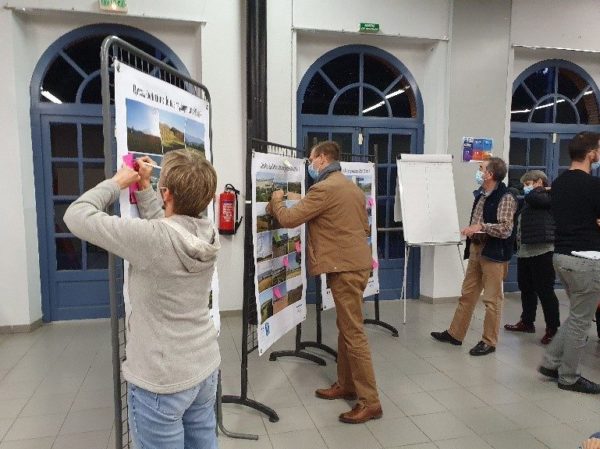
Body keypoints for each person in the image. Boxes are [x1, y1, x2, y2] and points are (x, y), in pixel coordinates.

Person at [64, 150, 221, 448]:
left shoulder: (153, 240)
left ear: (168, 193)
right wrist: (147, 188)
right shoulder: (207, 233)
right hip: (203, 366)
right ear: (209, 198)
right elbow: (168, 230)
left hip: (162, 380)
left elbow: (76, 215)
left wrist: (117, 182)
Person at [267, 140, 382, 424]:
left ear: (321, 158)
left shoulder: (325, 188)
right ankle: (347, 384)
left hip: (345, 268)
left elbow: (290, 218)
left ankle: (371, 402)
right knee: (346, 327)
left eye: (310, 159)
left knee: (353, 332)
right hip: (354, 264)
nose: (310, 164)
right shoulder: (351, 187)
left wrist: (276, 200)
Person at [431, 157, 517, 356]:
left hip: (494, 254)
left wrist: (481, 227)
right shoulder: (481, 195)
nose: (478, 172)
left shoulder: (505, 197)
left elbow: (506, 228)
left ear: (490, 174)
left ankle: (489, 341)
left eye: (481, 169)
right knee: (467, 294)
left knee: (491, 300)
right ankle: (455, 334)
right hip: (477, 250)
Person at [539, 131, 600, 394]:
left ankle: (551, 362)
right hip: (587, 260)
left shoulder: (559, 183)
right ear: (591, 154)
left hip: (561, 257)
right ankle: (569, 377)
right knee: (581, 322)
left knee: (577, 315)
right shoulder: (594, 185)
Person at [504, 170, 560, 344]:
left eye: (528, 183)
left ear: (539, 182)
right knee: (526, 288)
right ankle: (527, 322)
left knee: (545, 290)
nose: (525, 188)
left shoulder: (548, 197)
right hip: (525, 251)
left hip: (542, 250)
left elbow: (536, 198)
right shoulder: (531, 201)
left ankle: (553, 328)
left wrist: (538, 189)